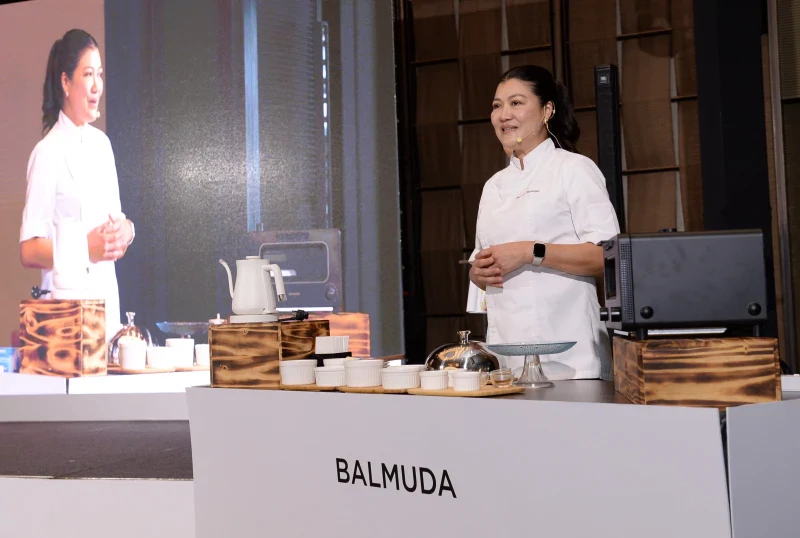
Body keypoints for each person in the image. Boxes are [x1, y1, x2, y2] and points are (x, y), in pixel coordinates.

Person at [467, 65, 620, 380]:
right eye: (497, 106)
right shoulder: (493, 186)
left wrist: (530, 252)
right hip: (507, 356)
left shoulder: (573, 169)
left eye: (516, 103)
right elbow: (483, 266)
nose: (504, 115)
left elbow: (608, 257)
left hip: (571, 356)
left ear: (547, 110)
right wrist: (477, 274)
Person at [19, 29, 134, 340]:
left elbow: (115, 223)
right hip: (65, 322)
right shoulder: (47, 152)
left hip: (107, 311)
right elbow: (29, 250)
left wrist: (127, 231)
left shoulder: (103, 145)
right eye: (87, 74)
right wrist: (85, 247)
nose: (97, 86)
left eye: (100, 74)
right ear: (66, 82)